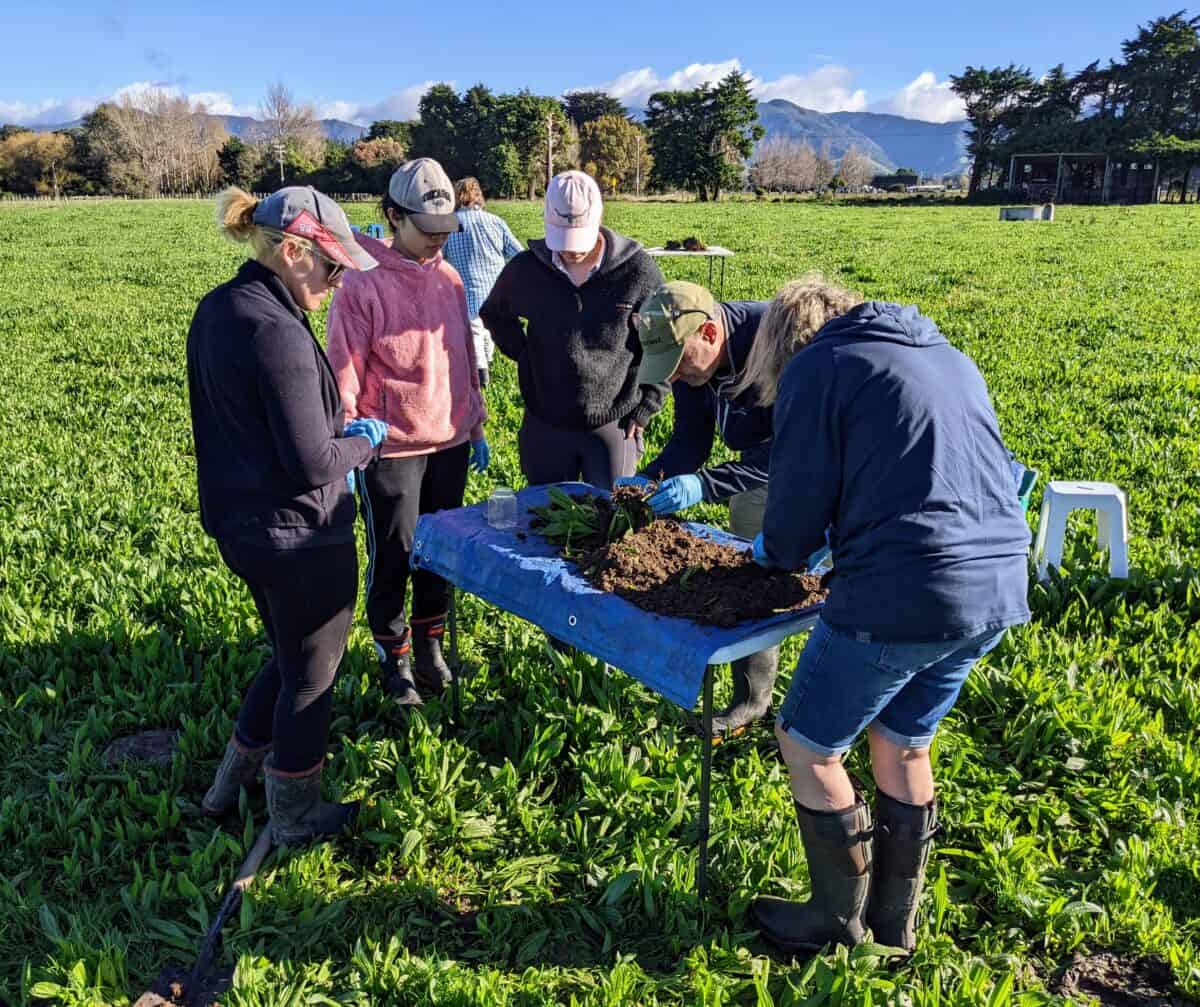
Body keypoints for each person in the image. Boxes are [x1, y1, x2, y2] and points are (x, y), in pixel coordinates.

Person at [743, 276, 1031, 956]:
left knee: (809, 743)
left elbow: (791, 525)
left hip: (903, 587)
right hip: (994, 583)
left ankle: (833, 920)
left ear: (788, 344)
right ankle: (893, 925)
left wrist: (775, 549)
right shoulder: (947, 357)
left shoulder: (821, 365)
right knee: (903, 741)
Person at [188, 185, 384, 845]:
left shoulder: (219, 308)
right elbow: (312, 461)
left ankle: (228, 786)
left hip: (240, 528)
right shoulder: (277, 331)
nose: (335, 281)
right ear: (292, 250)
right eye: (331, 267)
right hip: (300, 539)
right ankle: (297, 816)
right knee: (311, 676)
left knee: (283, 653)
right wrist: (363, 442)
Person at [618, 280, 814, 736]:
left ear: (708, 334)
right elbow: (691, 439)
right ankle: (751, 699)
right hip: (755, 467)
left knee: (821, 584)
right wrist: (651, 482)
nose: (675, 377)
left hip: (815, 465)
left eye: (678, 364)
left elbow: (789, 454)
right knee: (754, 571)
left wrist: (704, 486)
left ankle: (825, 708)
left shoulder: (778, 343)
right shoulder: (696, 366)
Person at [327, 158, 488, 707]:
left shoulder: (448, 276)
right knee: (394, 554)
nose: (438, 242)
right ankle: (394, 658)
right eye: (428, 230)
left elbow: (462, 352)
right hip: (391, 448)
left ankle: (430, 648)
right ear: (394, 216)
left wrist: (476, 421)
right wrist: (348, 442)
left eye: (447, 232)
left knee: (439, 552)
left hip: (449, 442)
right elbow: (344, 366)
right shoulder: (361, 282)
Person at [479, 170, 666, 489]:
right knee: (544, 518)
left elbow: (663, 339)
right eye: (562, 239)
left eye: (579, 238)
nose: (571, 251)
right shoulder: (527, 270)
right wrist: (525, 354)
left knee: (610, 520)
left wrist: (649, 403)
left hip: (614, 419)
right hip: (545, 421)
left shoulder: (637, 271)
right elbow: (494, 313)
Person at [442, 176, 523, 388]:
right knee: (489, 328)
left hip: (466, 287)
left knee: (474, 328)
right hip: (496, 288)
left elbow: (438, 258)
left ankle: (481, 373)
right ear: (478, 197)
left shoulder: (450, 225)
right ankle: (486, 364)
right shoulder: (496, 221)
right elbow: (517, 254)